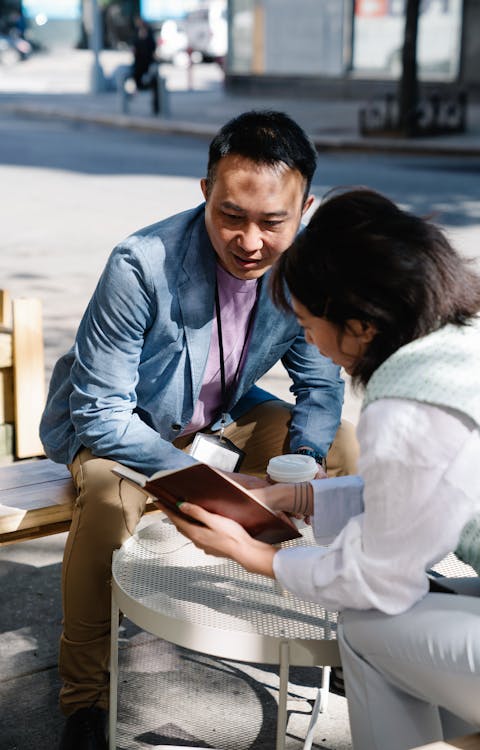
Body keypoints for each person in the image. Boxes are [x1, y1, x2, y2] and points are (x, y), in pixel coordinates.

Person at [40, 110, 358, 750]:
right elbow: (100, 411)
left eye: (273, 222)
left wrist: (300, 465)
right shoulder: (141, 265)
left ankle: (352, 636)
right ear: (205, 192)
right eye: (230, 216)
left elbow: (320, 386)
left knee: (343, 446)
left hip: (216, 420)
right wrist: (223, 480)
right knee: (105, 502)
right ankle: (84, 697)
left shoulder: (303, 271)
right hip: (120, 431)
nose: (249, 241)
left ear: (305, 210)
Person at [166, 188, 480, 750]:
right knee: (402, 616)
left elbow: (376, 581)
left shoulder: (405, 405)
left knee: (367, 625)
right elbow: (423, 482)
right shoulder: (475, 337)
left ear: (362, 324)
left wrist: (254, 555)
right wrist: (293, 499)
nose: (312, 342)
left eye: (308, 323)